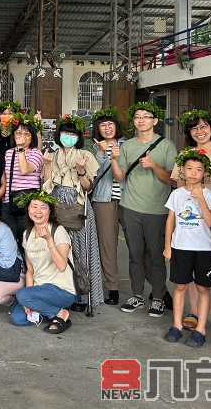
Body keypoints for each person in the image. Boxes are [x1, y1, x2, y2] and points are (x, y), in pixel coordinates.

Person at [172, 109, 211, 337]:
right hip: (192, 223)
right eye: (194, 128)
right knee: (191, 266)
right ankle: (194, 312)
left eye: (203, 126)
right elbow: (180, 187)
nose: (199, 131)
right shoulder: (185, 154)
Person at [112, 101, 177, 318]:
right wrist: (114, 159)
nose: (141, 120)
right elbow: (120, 177)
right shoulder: (128, 146)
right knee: (135, 255)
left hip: (157, 210)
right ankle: (137, 295)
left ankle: (157, 298)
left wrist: (154, 166)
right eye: (137, 116)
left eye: (145, 116)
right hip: (130, 208)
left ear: (155, 121)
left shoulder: (166, 145)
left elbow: (172, 179)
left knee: (156, 256)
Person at [43, 114, 102, 312]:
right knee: (59, 250)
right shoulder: (52, 154)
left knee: (81, 252)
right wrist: (48, 164)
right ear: (58, 135)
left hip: (77, 207)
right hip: (56, 204)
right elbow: (46, 184)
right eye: (65, 133)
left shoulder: (85, 155)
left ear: (78, 137)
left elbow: (88, 188)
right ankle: (62, 291)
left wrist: (82, 172)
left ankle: (83, 296)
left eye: (72, 134)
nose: (68, 137)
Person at [163, 148, 211, 348]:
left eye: (198, 169)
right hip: (181, 247)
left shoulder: (209, 195)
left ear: (205, 173)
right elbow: (171, 221)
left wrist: (200, 198)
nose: (193, 173)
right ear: (182, 171)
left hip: (203, 249)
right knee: (180, 286)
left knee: (203, 288)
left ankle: (200, 329)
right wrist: (167, 246)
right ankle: (176, 325)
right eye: (189, 168)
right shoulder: (177, 194)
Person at [9, 192, 76, 333]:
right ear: (28, 209)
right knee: (18, 318)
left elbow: (62, 266)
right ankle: (52, 314)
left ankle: (60, 313)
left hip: (61, 290)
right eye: (34, 206)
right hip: (39, 290)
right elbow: (30, 271)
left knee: (22, 295)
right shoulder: (27, 234)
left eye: (43, 207)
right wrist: (28, 298)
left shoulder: (59, 231)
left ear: (50, 211)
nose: (38, 211)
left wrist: (49, 240)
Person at [90, 107, 126, 306]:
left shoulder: (128, 145)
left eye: (110, 124)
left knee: (142, 245)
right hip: (104, 200)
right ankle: (113, 287)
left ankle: (159, 290)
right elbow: (93, 173)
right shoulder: (94, 148)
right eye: (103, 125)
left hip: (129, 199)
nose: (107, 128)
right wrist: (104, 154)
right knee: (108, 244)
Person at [0, 114, 43, 244]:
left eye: (26, 134)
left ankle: (28, 264)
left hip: (28, 203)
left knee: (28, 240)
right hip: (9, 202)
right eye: (18, 133)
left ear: (32, 137)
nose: (22, 137)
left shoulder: (36, 153)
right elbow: (4, 178)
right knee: (10, 240)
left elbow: (25, 169)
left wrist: (20, 149)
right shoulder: (8, 153)